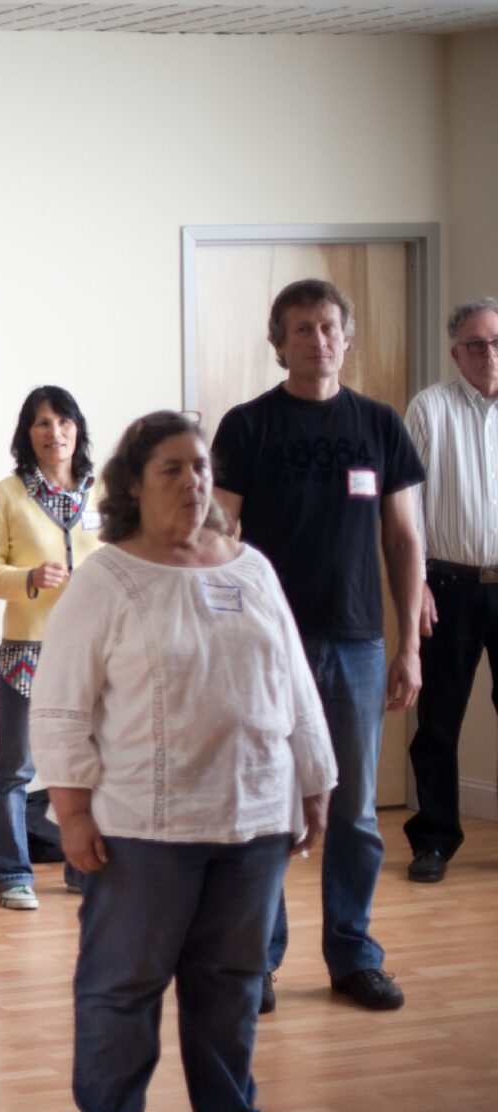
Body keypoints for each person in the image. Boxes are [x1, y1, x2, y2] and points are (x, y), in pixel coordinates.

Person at [35, 413, 335, 1112]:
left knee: (234, 978)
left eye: (200, 467)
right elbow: (61, 704)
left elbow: (295, 686)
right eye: (171, 469)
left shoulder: (253, 570)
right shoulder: (107, 579)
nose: (193, 482)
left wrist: (315, 782)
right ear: (133, 484)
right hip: (143, 826)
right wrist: (71, 813)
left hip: (254, 813)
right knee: (123, 982)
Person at [213, 278, 425, 1012]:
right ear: (278, 344)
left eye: (328, 326)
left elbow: (402, 537)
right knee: (270, 806)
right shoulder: (247, 427)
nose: (317, 340)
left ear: (347, 336)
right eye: (300, 329)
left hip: (360, 641)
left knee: (357, 812)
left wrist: (409, 649)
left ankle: (353, 954)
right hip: (267, 647)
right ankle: (257, 962)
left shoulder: (379, 424)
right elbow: (220, 538)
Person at [0, 386, 103, 912]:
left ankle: (84, 868)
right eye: (43, 424)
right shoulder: (8, 493)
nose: (56, 433)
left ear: (78, 429)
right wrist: (28, 576)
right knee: (17, 768)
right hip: (27, 649)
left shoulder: (101, 490)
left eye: (64, 422)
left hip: (92, 651)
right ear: (28, 434)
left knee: (85, 767)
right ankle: (11, 875)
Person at [402, 297, 498, 884]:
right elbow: (406, 505)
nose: (490, 353)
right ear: (456, 351)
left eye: (496, 341)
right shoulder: (429, 409)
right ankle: (434, 839)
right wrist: (417, 587)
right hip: (448, 585)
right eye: (477, 344)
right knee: (438, 722)